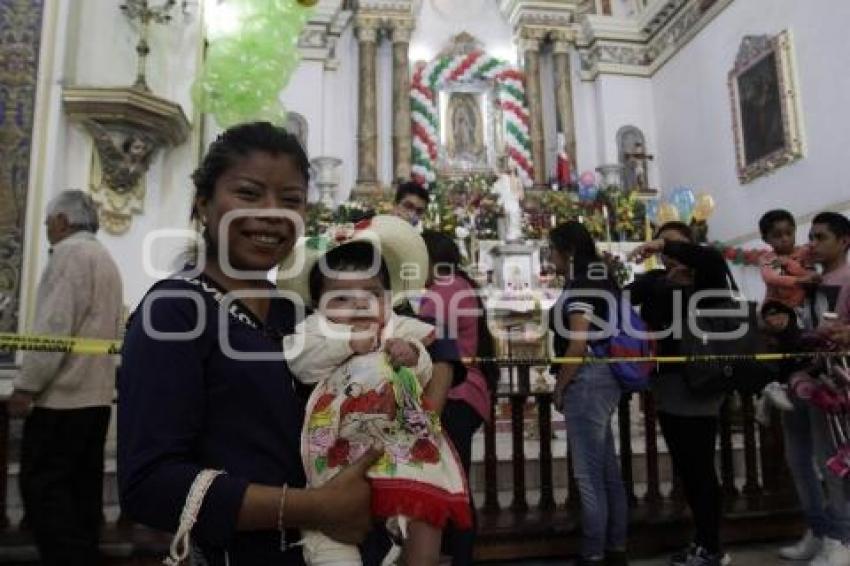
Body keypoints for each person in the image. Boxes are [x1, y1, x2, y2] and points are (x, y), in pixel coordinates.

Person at [117, 122, 378, 565]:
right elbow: (149, 484)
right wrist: (316, 508)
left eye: (291, 200)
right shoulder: (175, 311)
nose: (273, 214)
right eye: (249, 194)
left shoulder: (296, 315)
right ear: (203, 204)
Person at [280, 229, 471, 566]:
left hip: (399, 443)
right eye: (341, 298)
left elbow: (428, 362)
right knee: (328, 532)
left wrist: (412, 354)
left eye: (371, 293)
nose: (359, 303)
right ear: (317, 304)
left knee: (423, 509)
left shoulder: (398, 325)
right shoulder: (316, 329)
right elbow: (301, 363)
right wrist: (347, 343)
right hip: (337, 446)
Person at [9, 189, 123, 565]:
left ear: (61, 221)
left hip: (62, 400)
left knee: (45, 490)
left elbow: (53, 329)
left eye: (47, 223)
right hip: (95, 398)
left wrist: (27, 385)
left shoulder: (70, 255)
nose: (47, 230)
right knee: (81, 492)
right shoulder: (104, 258)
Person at [627, 221, 731, 566]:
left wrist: (663, 246)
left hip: (700, 383)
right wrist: (663, 283)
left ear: (689, 247)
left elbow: (711, 260)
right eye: (661, 243)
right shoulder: (657, 281)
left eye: (673, 245)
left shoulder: (708, 275)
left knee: (700, 467)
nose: (665, 250)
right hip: (668, 383)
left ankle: (711, 546)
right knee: (687, 467)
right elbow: (630, 295)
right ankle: (702, 541)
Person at [549, 222, 628, 566]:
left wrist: (560, 385)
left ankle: (593, 553)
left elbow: (578, 342)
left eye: (552, 249)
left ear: (567, 251)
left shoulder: (582, 283)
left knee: (587, 474)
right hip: (605, 375)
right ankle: (616, 549)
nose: (549, 256)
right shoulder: (602, 278)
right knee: (606, 470)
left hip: (588, 377)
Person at [778, 212, 850, 566]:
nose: (814, 243)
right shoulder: (811, 281)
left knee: (830, 462)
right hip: (801, 375)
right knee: (798, 460)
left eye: (822, 237)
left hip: (833, 382)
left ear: (844, 241)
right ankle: (819, 530)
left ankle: (841, 538)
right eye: (812, 237)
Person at [420, 230, 496, 565]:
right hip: (459, 395)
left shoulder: (446, 288)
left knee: (453, 485)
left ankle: (459, 556)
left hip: (455, 395)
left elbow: (424, 338)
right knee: (452, 482)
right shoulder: (456, 285)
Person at [757, 209, 820, 412]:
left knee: (796, 345)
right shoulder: (768, 257)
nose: (785, 239)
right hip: (775, 307)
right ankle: (775, 384)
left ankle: (779, 386)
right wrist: (799, 279)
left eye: (788, 233)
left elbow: (813, 276)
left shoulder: (804, 253)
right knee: (786, 344)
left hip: (798, 310)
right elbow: (771, 278)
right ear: (766, 238)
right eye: (777, 235)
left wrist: (791, 265)